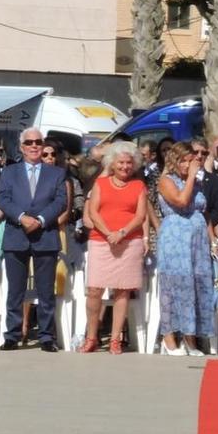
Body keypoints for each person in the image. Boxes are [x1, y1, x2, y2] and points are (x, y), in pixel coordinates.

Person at [0, 129, 68, 351]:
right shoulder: (9, 172)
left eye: (38, 142)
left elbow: (60, 202)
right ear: (21, 147)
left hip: (44, 234)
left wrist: (40, 219)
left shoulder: (55, 173)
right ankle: (12, 335)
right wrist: (21, 217)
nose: (34, 146)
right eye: (29, 142)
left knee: (46, 290)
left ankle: (47, 337)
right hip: (16, 234)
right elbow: (3, 198)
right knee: (15, 290)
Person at [79, 141, 149, 354]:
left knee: (122, 291)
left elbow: (140, 216)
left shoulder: (139, 186)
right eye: (121, 162)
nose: (125, 167)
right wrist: (109, 232)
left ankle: (116, 339)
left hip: (129, 241)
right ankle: (92, 337)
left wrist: (122, 233)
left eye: (129, 163)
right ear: (112, 163)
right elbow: (93, 212)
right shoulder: (101, 184)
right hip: (101, 240)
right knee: (94, 290)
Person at [154, 140, 216, 355]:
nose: (190, 165)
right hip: (176, 238)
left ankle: (191, 340)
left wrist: (212, 239)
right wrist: (191, 177)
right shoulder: (166, 181)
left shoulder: (196, 184)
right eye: (185, 161)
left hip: (197, 240)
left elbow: (203, 212)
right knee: (175, 286)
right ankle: (169, 337)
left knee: (196, 286)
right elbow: (180, 201)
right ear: (175, 161)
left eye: (192, 161)